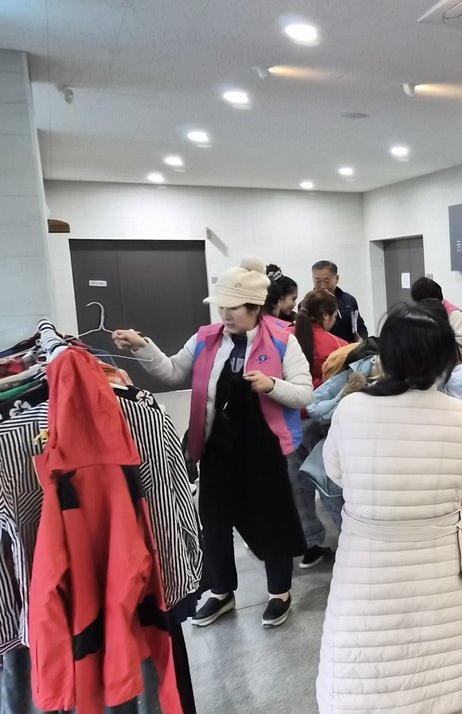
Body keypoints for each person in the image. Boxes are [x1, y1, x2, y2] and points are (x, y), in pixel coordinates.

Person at [318, 302, 462, 714]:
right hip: (439, 570)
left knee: (361, 688)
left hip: (365, 571)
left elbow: (336, 472)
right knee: (439, 688)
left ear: (385, 355)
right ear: (443, 360)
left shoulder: (351, 410)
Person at [112, 256, 312, 628]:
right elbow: (173, 372)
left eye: (233, 307)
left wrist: (271, 385)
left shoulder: (283, 340)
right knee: (215, 521)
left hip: (265, 450)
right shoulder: (206, 338)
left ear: (254, 308)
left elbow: (304, 394)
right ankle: (221, 591)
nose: (225, 314)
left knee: (271, 520)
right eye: (221, 307)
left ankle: (280, 592)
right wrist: (142, 346)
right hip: (217, 446)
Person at [288, 289, 348, 570]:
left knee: (296, 483)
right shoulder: (337, 345)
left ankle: (308, 545)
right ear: (326, 315)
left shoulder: (284, 338)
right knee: (328, 480)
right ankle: (348, 539)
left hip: (288, 419)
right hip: (320, 422)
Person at [411, 277, 462, 365]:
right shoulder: (420, 314)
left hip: (457, 365)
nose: (419, 307)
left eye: (421, 303)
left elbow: (460, 347)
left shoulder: (454, 314)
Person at [294, 289, 348, 390]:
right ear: (326, 315)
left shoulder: (283, 336)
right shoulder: (340, 346)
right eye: (335, 316)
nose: (334, 320)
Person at [312, 259, 368, 343]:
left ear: (336, 279)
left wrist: (362, 341)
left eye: (327, 281)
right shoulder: (308, 304)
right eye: (318, 281)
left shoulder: (349, 300)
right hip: (321, 349)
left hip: (348, 348)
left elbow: (359, 327)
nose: (322, 286)